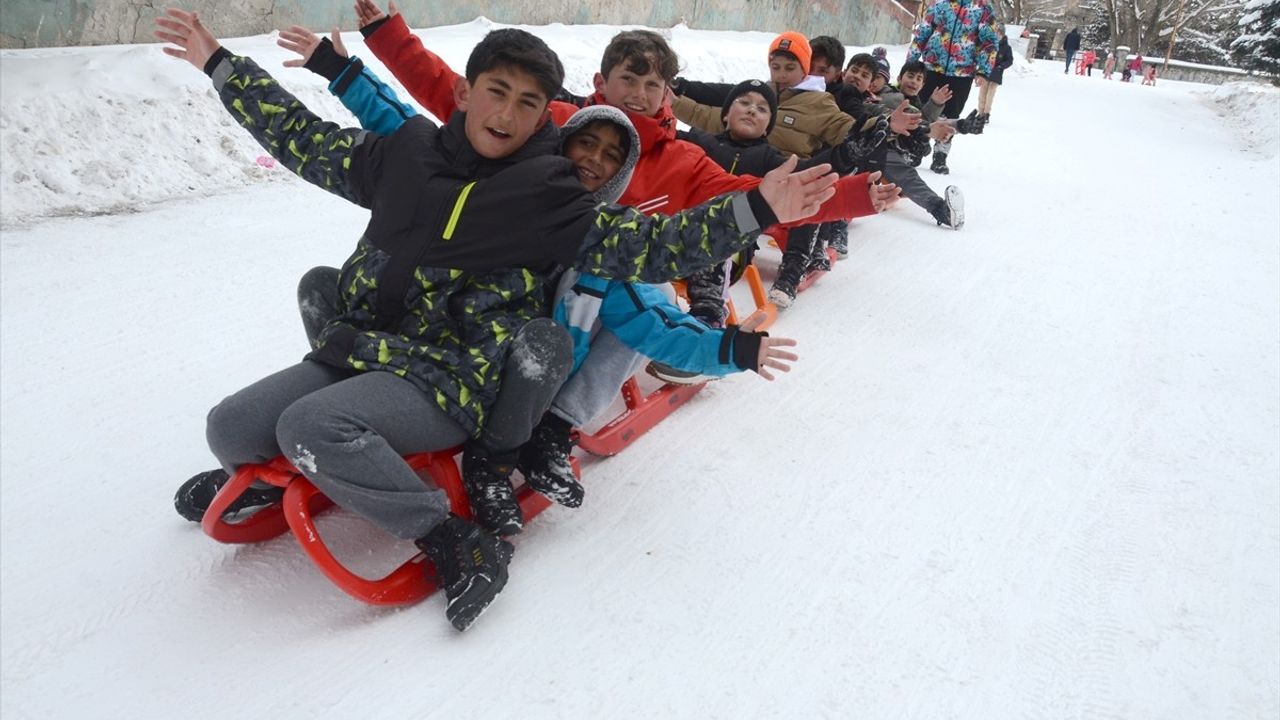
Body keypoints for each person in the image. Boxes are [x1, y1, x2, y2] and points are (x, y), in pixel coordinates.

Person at [154, 9, 838, 631]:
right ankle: (285, 471)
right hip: (361, 346)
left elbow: (652, 247)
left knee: (311, 426)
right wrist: (220, 63)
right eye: (497, 92)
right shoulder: (406, 154)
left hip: (451, 376)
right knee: (230, 426)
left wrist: (758, 208)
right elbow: (301, 136)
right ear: (463, 93)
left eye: (529, 103)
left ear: (544, 119)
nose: (507, 114)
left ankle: (453, 539)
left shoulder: (550, 198)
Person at [672, 32, 918, 309]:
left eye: (790, 68)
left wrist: (884, 125)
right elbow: (705, 113)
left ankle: (794, 265)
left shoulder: (818, 103)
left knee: (804, 189)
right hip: (740, 178)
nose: (781, 75)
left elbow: (847, 128)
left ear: (805, 69)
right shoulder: (756, 97)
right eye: (775, 67)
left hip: (786, 173)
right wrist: (669, 99)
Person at [908, 0, 998, 174]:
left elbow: (989, 40)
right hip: (932, 67)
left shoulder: (982, 6)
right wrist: (911, 61)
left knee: (951, 115)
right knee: (923, 110)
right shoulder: (940, 3)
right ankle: (915, 147)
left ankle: (940, 154)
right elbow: (923, 30)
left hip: (962, 73)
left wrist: (983, 70)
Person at [879, 60, 966, 229]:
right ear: (899, 78)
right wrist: (957, 125)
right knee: (905, 174)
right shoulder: (892, 97)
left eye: (918, 79)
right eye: (910, 76)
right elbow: (916, 120)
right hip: (877, 150)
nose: (913, 81)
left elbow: (921, 120)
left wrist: (935, 104)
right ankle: (940, 209)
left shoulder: (914, 101)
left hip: (890, 152)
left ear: (923, 85)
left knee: (905, 173)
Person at [976, 27, 1014, 122]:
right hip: (986, 73)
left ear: (1002, 34)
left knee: (990, 95)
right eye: (996, 32)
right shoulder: (990, 44)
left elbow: (1009, 60)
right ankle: (980, 113)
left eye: (999, 33)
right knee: (982, 94)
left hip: (996, 75)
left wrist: (1001, 66)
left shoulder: (1007, 48)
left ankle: (986, 114)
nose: (997, 35)